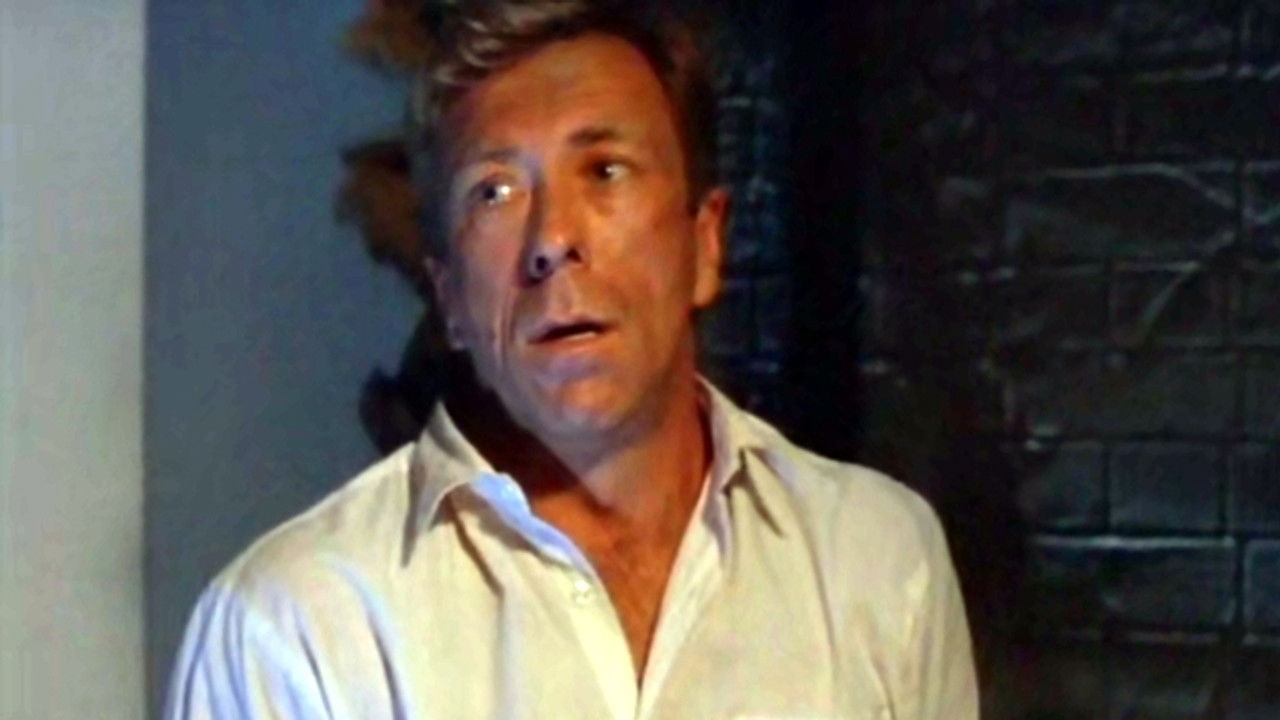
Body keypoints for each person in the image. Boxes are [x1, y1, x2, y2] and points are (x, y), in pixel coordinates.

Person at [164, 1, 978, 717]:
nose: (553, 238)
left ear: (705, 242)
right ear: (449, 296)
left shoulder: (875, 557)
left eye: (605, 170)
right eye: (495, 191)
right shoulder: (292, 627)